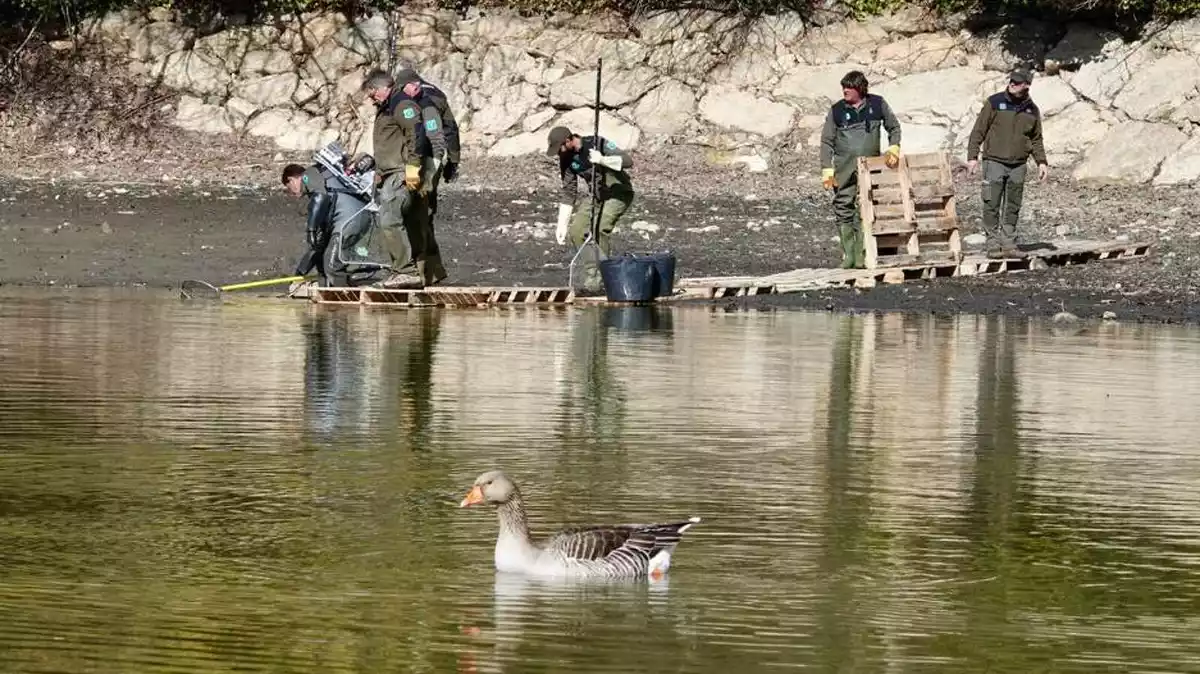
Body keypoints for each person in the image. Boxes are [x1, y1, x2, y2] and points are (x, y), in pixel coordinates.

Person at [361, 68, 447, 288]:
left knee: (389, 220)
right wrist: (380, 171)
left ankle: (404, 271)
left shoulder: (401, 105)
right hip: (394, 171)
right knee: (414, 222)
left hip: (401, 173)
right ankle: (426, 274)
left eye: (372, 94)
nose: (371, 99)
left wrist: (412, 168)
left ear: (380, 88)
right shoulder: (390, 106)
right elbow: (390, 142)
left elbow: (416, 136)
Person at [819, 70, 902, 269]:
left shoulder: (877, 104)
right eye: (843, 87)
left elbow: (894, 127)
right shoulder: (837, 110)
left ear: (860, 88)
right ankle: (849, 256)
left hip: (871, 167)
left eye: (849, 87)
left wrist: (893, 148)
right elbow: (826, 141)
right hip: (844, 168)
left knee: (868, 207)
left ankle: (863, 254)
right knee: (843, 207)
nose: (845, 91)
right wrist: (827, 170)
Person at [966, 69, 1049, 259]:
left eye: (1018, 82)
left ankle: (1009, 244)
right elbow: (978, 130)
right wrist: (972, 157)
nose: (1013, 83)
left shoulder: (1032, 110)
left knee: (1013, 204)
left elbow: (1036, 139)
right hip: (994, 160)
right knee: (991, 203)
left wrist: (1042, 162)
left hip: (1019, 164)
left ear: (1027, 85)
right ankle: (993, 243)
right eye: (1012, 80)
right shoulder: (994, 102)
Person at [546, 125, 635, 293]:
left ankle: (602, 279)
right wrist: (562, 224)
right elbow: (568, 191)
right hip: (596, 195)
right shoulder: (566, 159)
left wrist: (603, 160)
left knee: (600, 228)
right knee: (577, 231)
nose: (559, 153)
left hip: (618, 192)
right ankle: (593, 274)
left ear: (568, 140)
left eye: (560, 148)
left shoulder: (597, 143)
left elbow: (628, 161)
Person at [282, 162, 382, 288]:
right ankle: (333, 291)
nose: (293, 194)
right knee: (327, 260)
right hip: (358, 218)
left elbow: (320, 197)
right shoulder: (325, 183)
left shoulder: (308, 175)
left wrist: (311, 230)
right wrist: (300, 272)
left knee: (332, 265)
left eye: (289, 188)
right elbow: (319, 245)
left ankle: (343, 301)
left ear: (291, 179)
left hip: (349, 221)